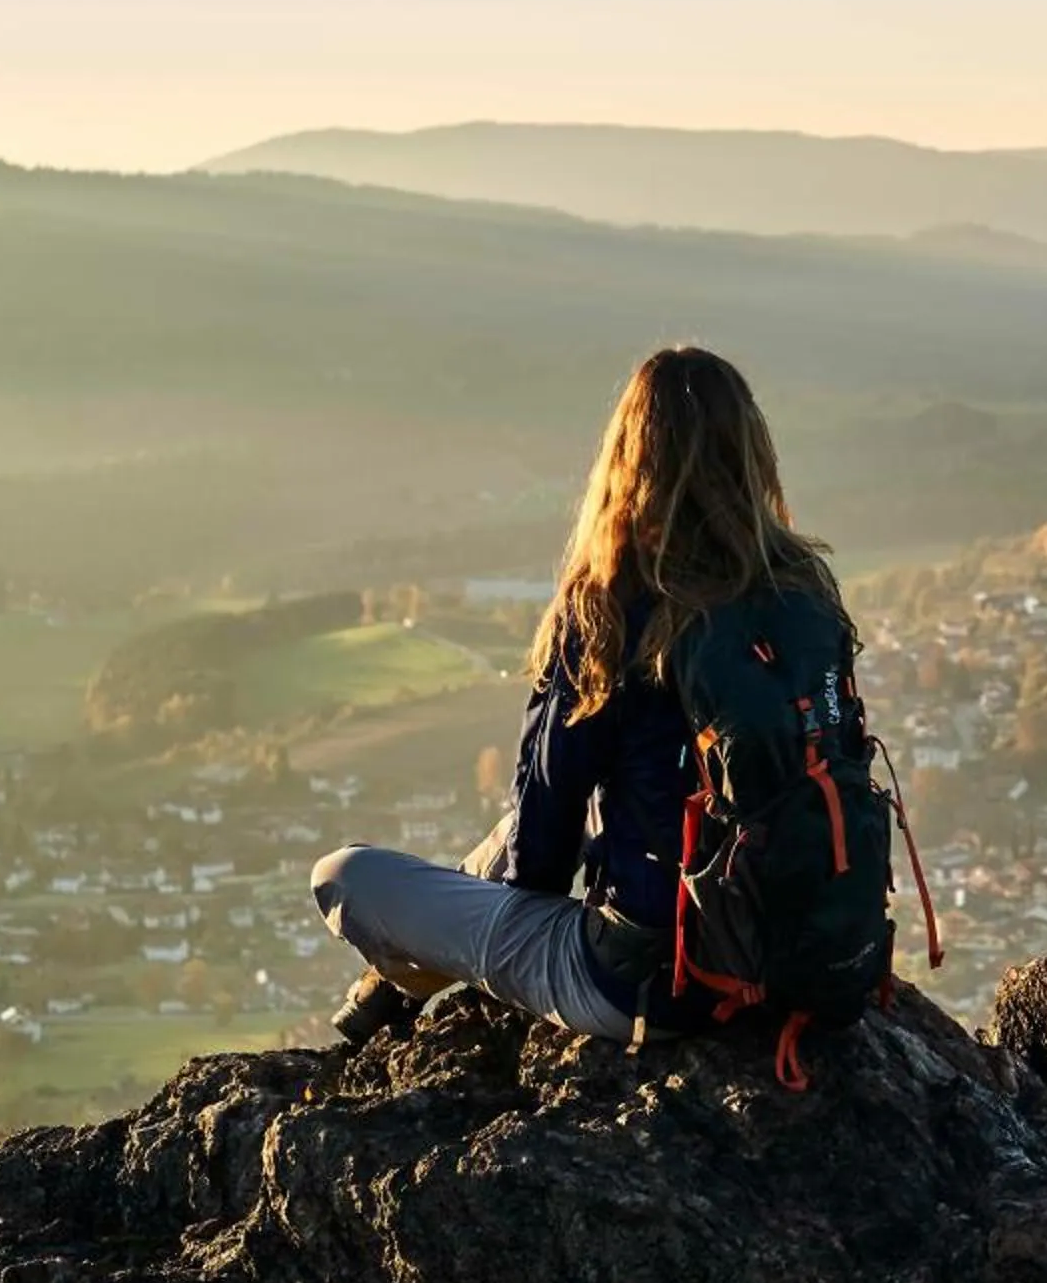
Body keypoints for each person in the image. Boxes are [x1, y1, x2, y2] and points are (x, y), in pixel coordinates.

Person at [310, 345, 856, 1046]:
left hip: (644, 988)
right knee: (508, 840)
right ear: (753, 455)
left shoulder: (610, 602)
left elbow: (542, 847)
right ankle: (398, 982)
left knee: (347, 876)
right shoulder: (806, 589)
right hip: (806, 963)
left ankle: (398, 979)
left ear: (627, 459)